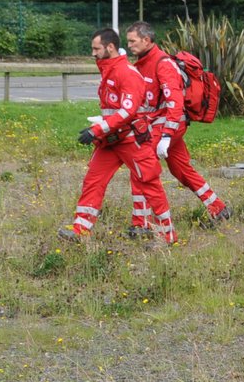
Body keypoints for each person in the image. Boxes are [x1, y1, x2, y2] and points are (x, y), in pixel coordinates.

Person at [59, 28, 176, 245]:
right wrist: (101, 127)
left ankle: (168, 236)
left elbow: (127, 112)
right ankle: (80, 229)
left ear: (110, 47)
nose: (93, 53)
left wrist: (97, 130)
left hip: (132, 140)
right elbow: (113, 109)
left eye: (96, 48)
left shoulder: (126, 72)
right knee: (93, 180)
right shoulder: (109, 70)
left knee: (150, 184)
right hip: (111, 140)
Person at [124, 20, 231, 228]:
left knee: (141, 168)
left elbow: (175, 103)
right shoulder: (144, 62)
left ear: (146, 40)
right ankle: (218, 208)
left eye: (132, 41)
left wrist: (165, 136)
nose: (129, 45)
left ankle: (141, 224)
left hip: (167, 126)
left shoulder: (162, 64)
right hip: (164, 125)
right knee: (181, 170)